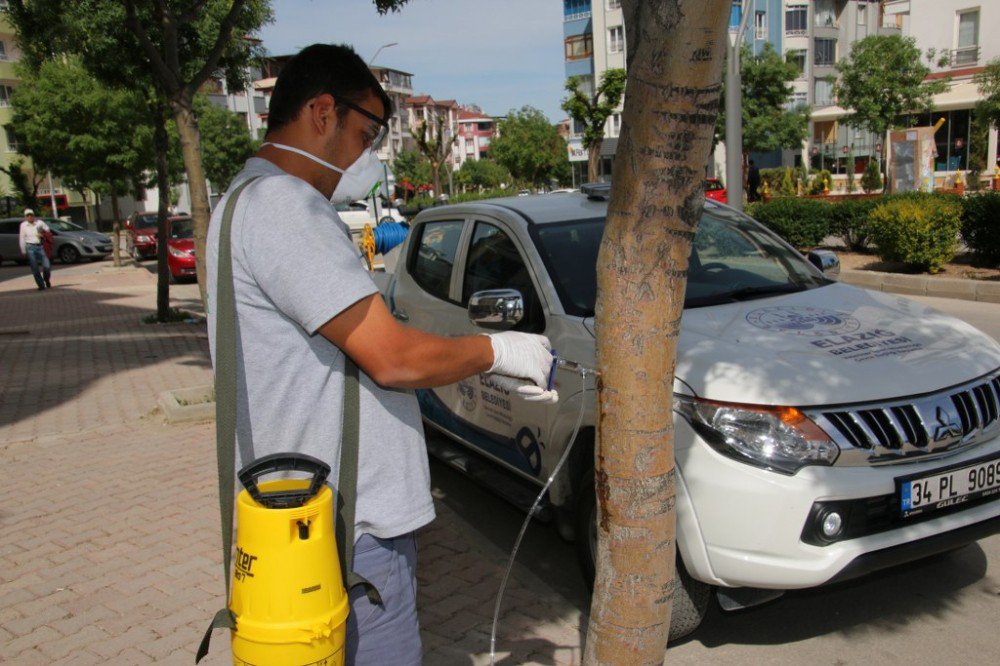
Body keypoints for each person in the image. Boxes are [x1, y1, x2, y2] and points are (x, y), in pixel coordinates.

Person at [206, 44, 556, 666]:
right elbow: (392, 359)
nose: (364, 157)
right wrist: (498, 350)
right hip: (347, 524)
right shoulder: (282, 206)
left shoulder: (241, 199)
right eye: (364, 134)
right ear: (321, 112)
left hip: (304, 513)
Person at [19, 209, 51, 290]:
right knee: (35, 268)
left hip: (40, 246)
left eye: (31, 215)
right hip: (30, 247)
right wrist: (23, 250)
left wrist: (42, 234)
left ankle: (46, 279)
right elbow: (22, 238)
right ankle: (41, 285)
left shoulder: (39, 223)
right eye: (28, 216)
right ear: (25, 217)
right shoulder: (23, 225)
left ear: (34, 215)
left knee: (47, 266)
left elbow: (47, 230)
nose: (30, 217)